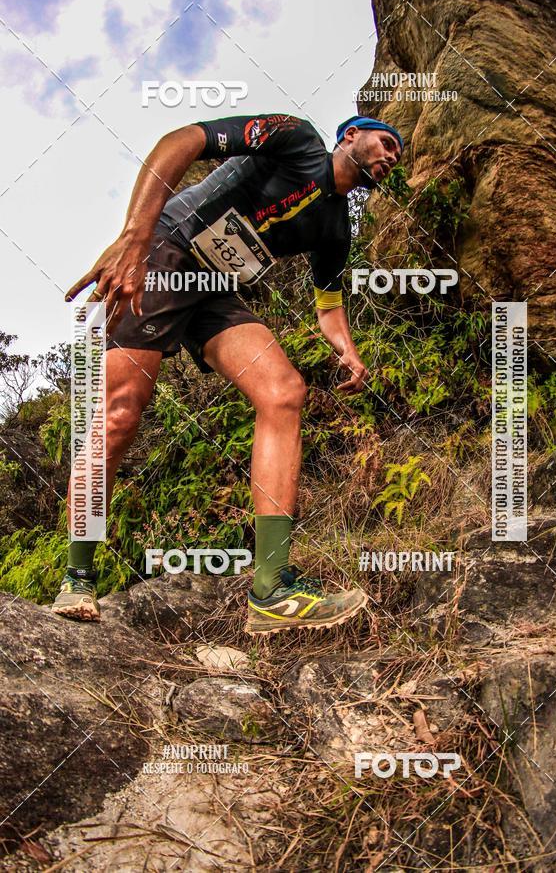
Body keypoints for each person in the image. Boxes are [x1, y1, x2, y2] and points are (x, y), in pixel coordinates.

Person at [51, 112, 404, 634]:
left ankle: (271, 589)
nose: (391, 155)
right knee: (120, 414)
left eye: (397, 154)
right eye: (386, 142)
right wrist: (134, 237)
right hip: (165, 253)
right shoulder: (297, 137)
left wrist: (347, 350)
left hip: (215, 289)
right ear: (350, 135)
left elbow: (328, 303)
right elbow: (182, 140)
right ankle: (77, 576)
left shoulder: (336, 227)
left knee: (283, 391)